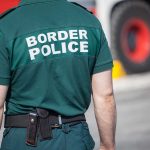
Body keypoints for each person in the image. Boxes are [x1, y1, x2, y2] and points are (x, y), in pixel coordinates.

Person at [0, 0, 117, 150]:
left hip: (24, 139)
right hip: (74, 138)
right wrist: (108, 146)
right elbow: (105, 95)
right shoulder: (88, 21)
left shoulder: (7, 26)